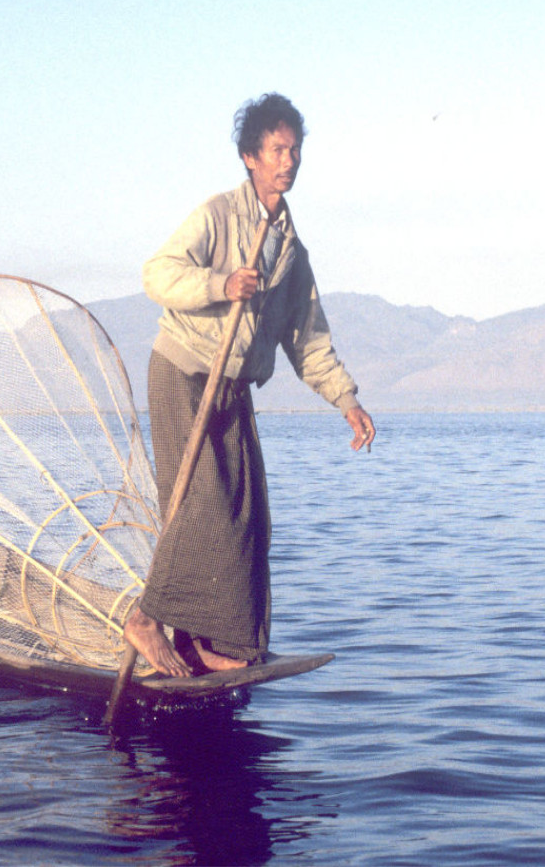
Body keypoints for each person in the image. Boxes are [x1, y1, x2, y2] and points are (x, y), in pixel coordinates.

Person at [123, 93, 376, 678]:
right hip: (186, 371)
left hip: (232, 386)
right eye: (276, 151)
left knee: (248, 517)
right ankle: (145, 619)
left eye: (294, 151)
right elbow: (157, 274)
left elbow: (306, 337)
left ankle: (207, 643)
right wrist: (221, 283)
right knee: (201, 505)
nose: (287, 162)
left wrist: (347, 400)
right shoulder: (216, 216)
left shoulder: (289, 247)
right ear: (249, 158)